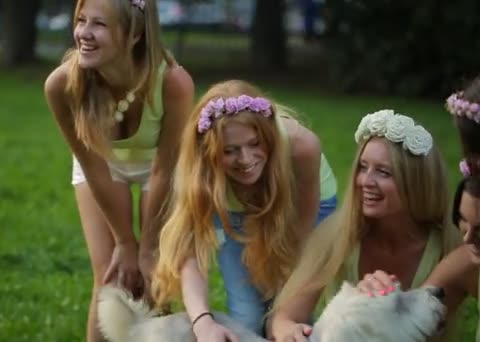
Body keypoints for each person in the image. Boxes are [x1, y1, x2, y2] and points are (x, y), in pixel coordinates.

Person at [43, 0, 194, 340]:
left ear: (135, 34)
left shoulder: (172, 82)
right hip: (101, 168)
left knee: (154, 279)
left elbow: (166, 171)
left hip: (160, 169)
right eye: (81, 20)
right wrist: (125, 242)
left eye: (99, 25)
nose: (83, 33)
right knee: (110, 279)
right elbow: (93, 168)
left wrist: (147, 247)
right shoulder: (61, 86)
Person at [151, 80, 338, 340]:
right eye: (230, 151)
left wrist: (281, 313)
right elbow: (188, 249)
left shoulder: (301, 146)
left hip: (302, 209)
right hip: (235, 211)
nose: (246, 159)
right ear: (211, 151)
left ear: (268, 135)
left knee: (292, 318)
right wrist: (202, 322)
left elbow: (299, 242)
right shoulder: (200, 168)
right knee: (247, 317)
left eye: (254, 143)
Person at [270, 109, 460, 341]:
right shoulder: (337, 235)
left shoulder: (449, 247)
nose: (365, 181)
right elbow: (282, 318)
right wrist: (289, 332)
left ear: (416, 182)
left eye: (383, 172)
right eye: (362, 167)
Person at [357, 78, 480, 341]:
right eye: (465, 225)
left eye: (383, 172)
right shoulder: (466, 259)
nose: (467, 241)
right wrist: (372, 307)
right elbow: (409, 328)